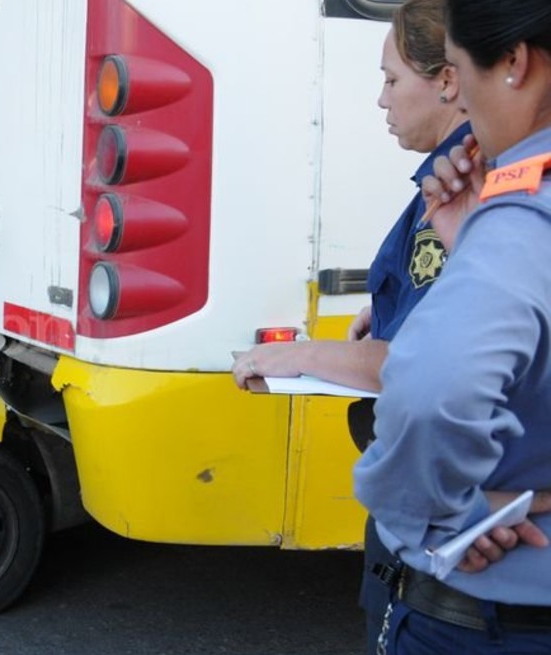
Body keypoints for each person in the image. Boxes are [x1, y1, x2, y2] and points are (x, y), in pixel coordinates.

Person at [231, 2, 469, 651]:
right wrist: (384, 308)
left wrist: (301, 355)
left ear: (447, 81)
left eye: (393, 80)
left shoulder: (461, 184)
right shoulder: (448, 175)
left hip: (436, 521)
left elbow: (415, 361)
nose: (380, 99)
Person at [352, 0, 551, 651]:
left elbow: (433, 391)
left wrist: (441, 513)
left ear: (516, 63)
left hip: (483, 620)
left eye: (463, 71)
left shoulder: (523, 207)